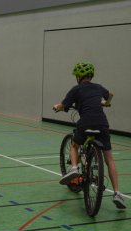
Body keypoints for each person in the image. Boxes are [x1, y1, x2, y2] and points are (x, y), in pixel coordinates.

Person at [53, 62, 126, 209]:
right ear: (91, 76)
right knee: (109, 159)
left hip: (85, 123)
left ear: (79, 77)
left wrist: (57, 107)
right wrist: (105, 103)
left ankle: (74, 169)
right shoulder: (98, 87)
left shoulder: (76, 89)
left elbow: (63, 105)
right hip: (102, 124)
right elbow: (110, 95)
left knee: (74, 144)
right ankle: (117, 193)